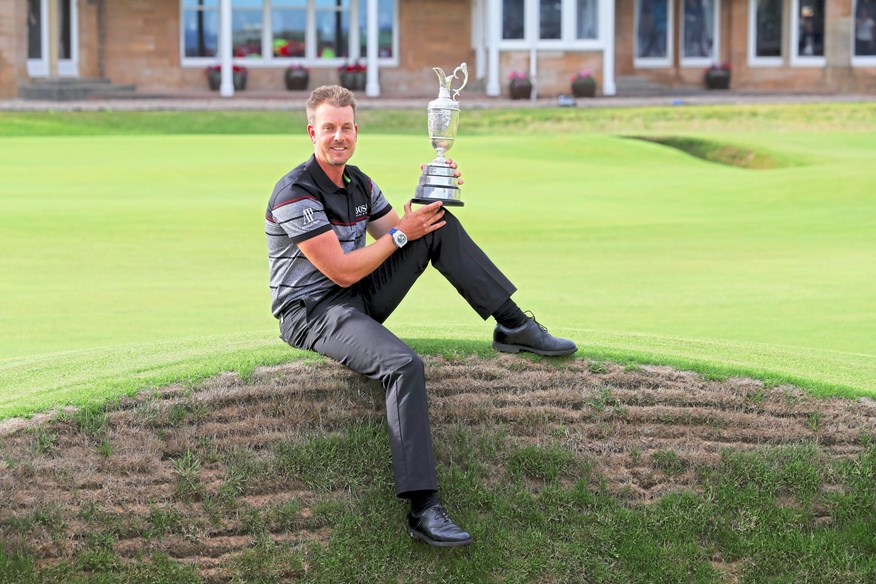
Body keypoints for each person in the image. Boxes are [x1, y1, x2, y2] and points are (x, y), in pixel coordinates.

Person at [265, 85, 576, 547]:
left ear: (356, 131)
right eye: (329, 128)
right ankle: (423, 509)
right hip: (313, 312)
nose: (338, 137)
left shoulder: (360, 184)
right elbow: (341, 269)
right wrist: (399, 237)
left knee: (438, 225)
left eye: (347, 127)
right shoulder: (295, 193)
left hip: (355, 297)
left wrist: (433, 190)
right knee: (403, 365)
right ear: (312, 131)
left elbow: (404, 231)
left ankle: (513, 324)